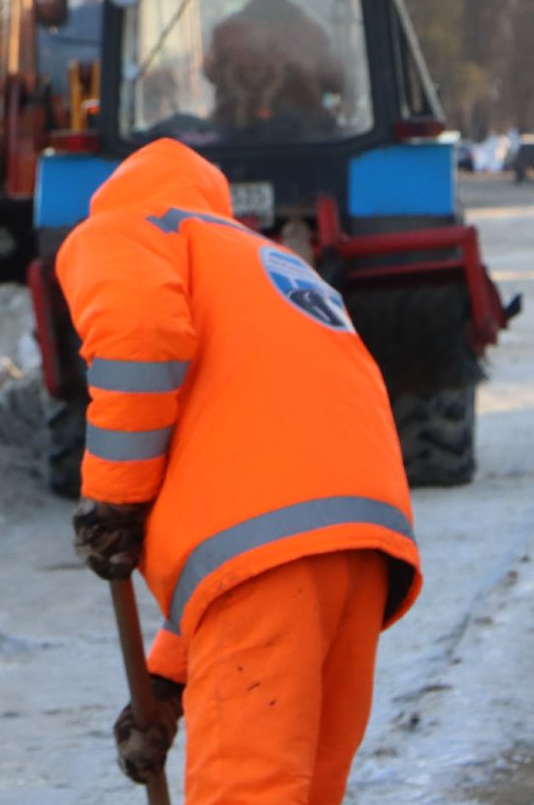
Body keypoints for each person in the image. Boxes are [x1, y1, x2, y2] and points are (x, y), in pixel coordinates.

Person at [58, 138, 422, 804]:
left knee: (247, 792)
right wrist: (166, 683)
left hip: (270, 554)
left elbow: (139, 337)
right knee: (306, 789)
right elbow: (255, 483)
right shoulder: (272, 265)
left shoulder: (128, 227)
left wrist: (113, 501)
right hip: (362, 547)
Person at [203, 0, 342, 140]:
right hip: (304, 137)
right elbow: (336, 81)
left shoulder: (226, 32)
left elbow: (210, 72)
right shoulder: (309, 31)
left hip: (237, 137)